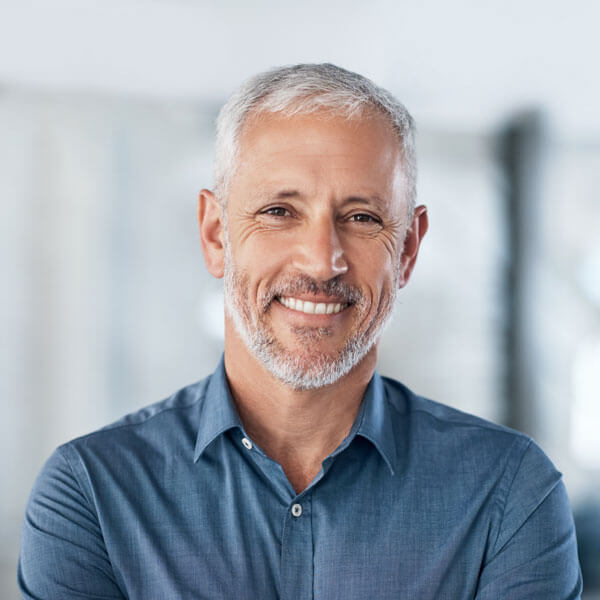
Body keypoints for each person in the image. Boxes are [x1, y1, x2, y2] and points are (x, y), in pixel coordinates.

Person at [18, 64, 582, 599]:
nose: (321, 262)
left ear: (407, 249)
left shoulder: (509, 494)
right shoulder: (92, 493)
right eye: (279, 212)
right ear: (216, 235)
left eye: (362, 217)